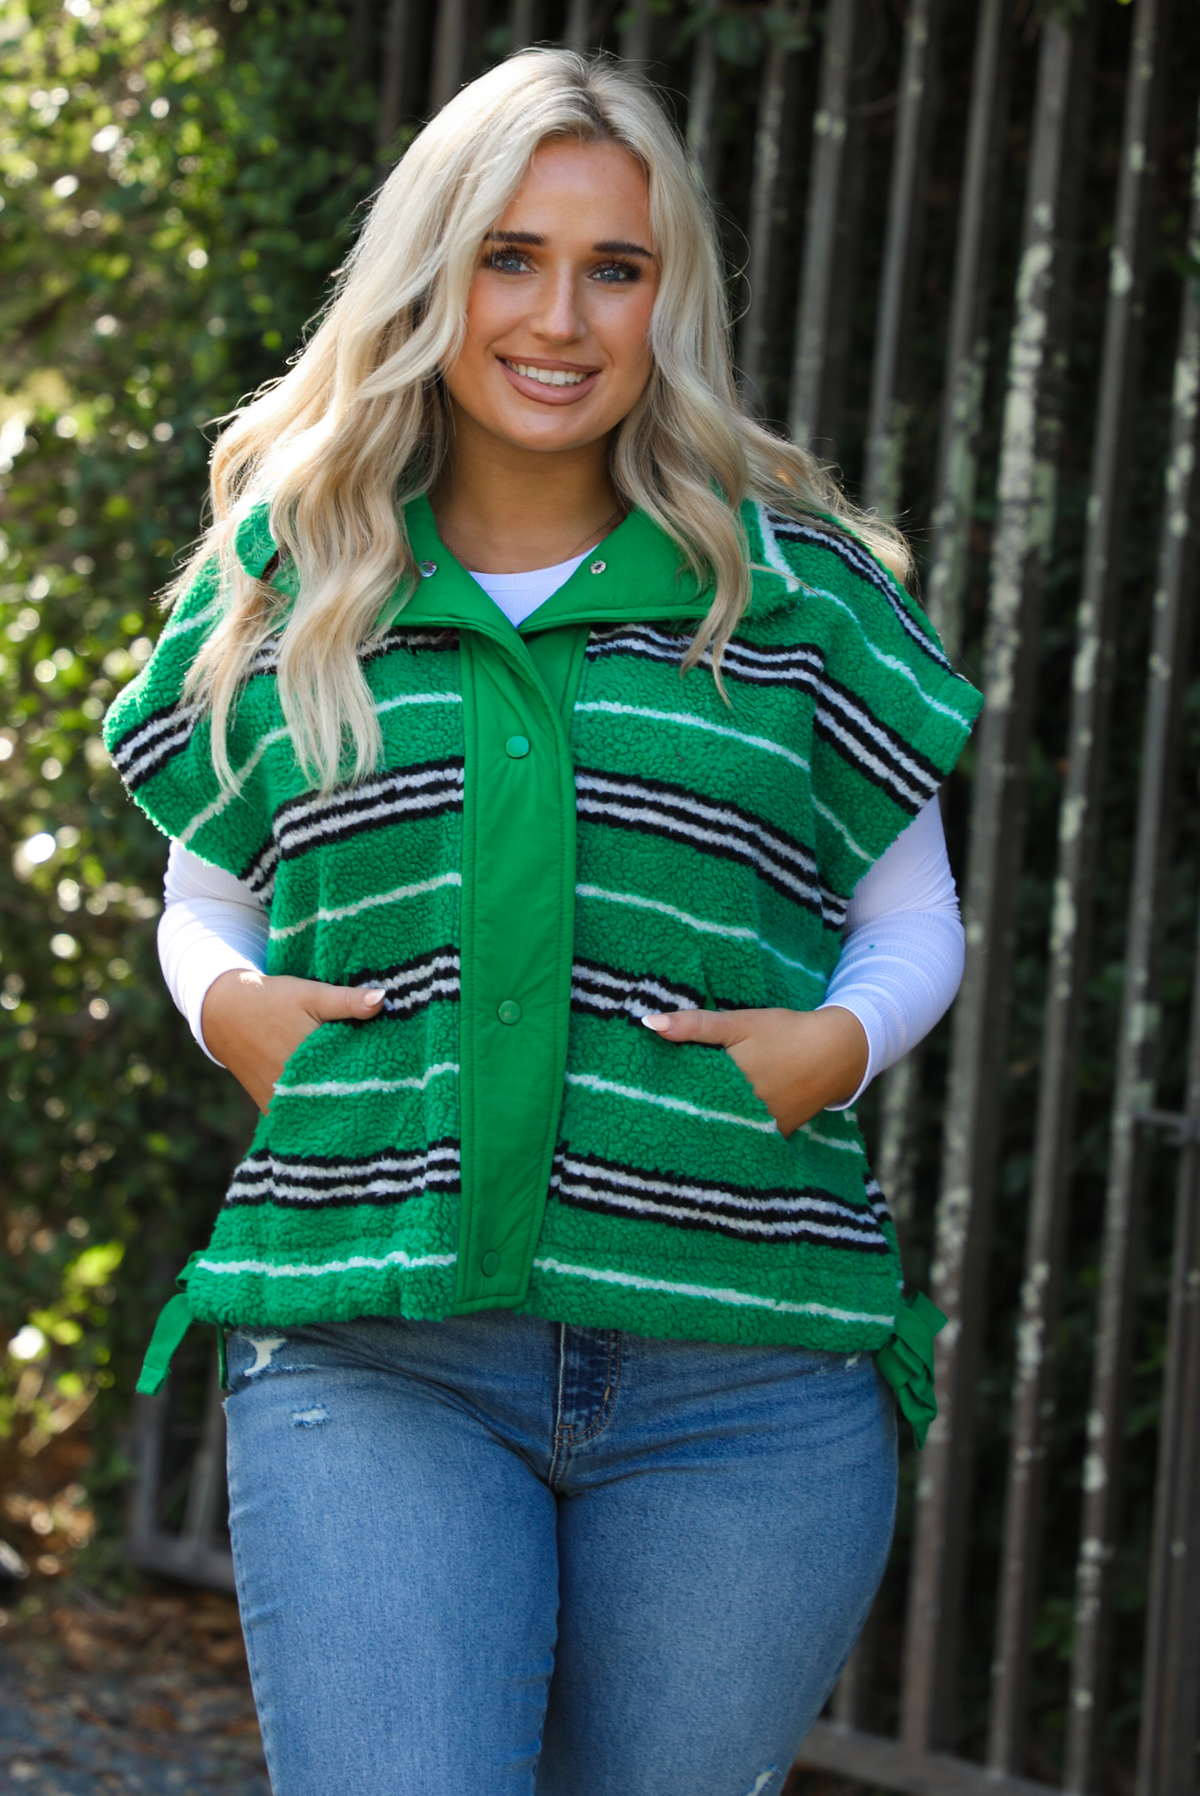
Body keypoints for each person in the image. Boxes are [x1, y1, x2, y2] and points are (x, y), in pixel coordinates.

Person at [106, 48, 982, 1796]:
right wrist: (228, 1009)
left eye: (616, 267)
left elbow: (916, 920)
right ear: (432, 272)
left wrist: (837, 1043)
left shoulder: (793, 592)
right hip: (378, 1347)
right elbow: (207, 895)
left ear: (672, 298)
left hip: (744, 1373)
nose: (561, 316)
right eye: (511, 255)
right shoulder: (290, 580)